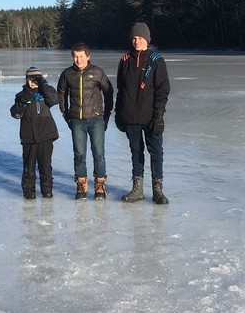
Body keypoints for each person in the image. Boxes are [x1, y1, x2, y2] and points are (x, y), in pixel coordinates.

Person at [115, 22, 171, 204]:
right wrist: (118, 113)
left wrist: (159, 115)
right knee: (136, 152)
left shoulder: (156, 60)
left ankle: (157, 190)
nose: (136, 41)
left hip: (151, 117)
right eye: (134, 38)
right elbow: (120, 90)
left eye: (139, 38)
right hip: (130, 117)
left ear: (147, 39)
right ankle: (137, 189)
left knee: (156, 153)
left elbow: (163, 90)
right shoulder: (124, 61)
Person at [57, 42, 114, 200]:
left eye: (81, 56)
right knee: (79, 154)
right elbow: (61, 92)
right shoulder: (68, 74)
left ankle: (100, 186)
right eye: (75, 56)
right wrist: (64, 112)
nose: (78, 59)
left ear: (88, 56)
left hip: (96, 119)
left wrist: (106, 114)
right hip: (77, 121)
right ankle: (81, 185)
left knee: (99, 154)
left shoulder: (97, 72)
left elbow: (108, 92)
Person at [10, 66, 59, 199]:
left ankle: (47, 191)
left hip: (46, 134)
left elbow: (54, 99)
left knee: (45, 165)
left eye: (36, 79)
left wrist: (43, 84)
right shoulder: (21, 95)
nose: (33, 82)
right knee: (28, 167)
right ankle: (29, 192)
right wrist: (22, 102)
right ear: (26, 80)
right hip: (29, 136)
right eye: (30, 79)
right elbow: (15, 114)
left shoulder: (46, 93)